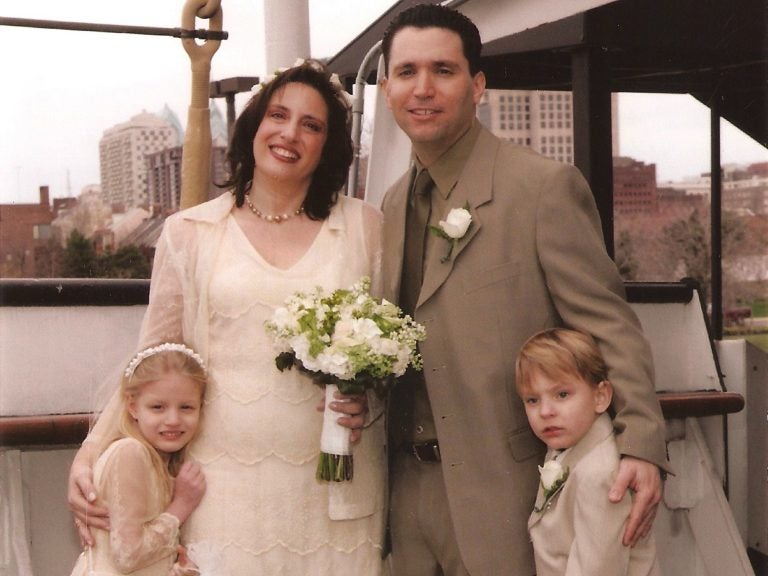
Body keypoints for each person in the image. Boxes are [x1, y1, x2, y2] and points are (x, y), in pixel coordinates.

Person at [378, 5, 669, 575]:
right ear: (386, 88)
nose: (424, 88)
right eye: (407, 72)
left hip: (507, 493)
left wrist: (640, 444)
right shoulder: (389, 204)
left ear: (478, 84)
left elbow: (608, 325)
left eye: (444, 69)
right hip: (402, 498)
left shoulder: (541, 188)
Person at [68, 59, 386, 575]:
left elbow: (392, 348)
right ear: (253, 125)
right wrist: (89, 456)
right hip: (220, 486)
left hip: (335, 485)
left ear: (330, 145)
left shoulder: (366, 228)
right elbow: (152, 360)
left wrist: (366, 402)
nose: (290, 134)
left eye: (312, 125)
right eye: (278, 116)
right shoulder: (190, 232)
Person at [516, 328, 661, 576]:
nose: (545, 411)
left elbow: (597, 569)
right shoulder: (567, 449)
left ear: (601, 396)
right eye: (532, 400)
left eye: (562, 394)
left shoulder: (599, 474)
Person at [69, 342, 207, 576]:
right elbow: (128, 556)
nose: (173, 419)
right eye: (158, 407)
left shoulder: (154, 459)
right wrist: (181, 505)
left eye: (186, 407)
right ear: (133, 407)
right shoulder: (130, 453)